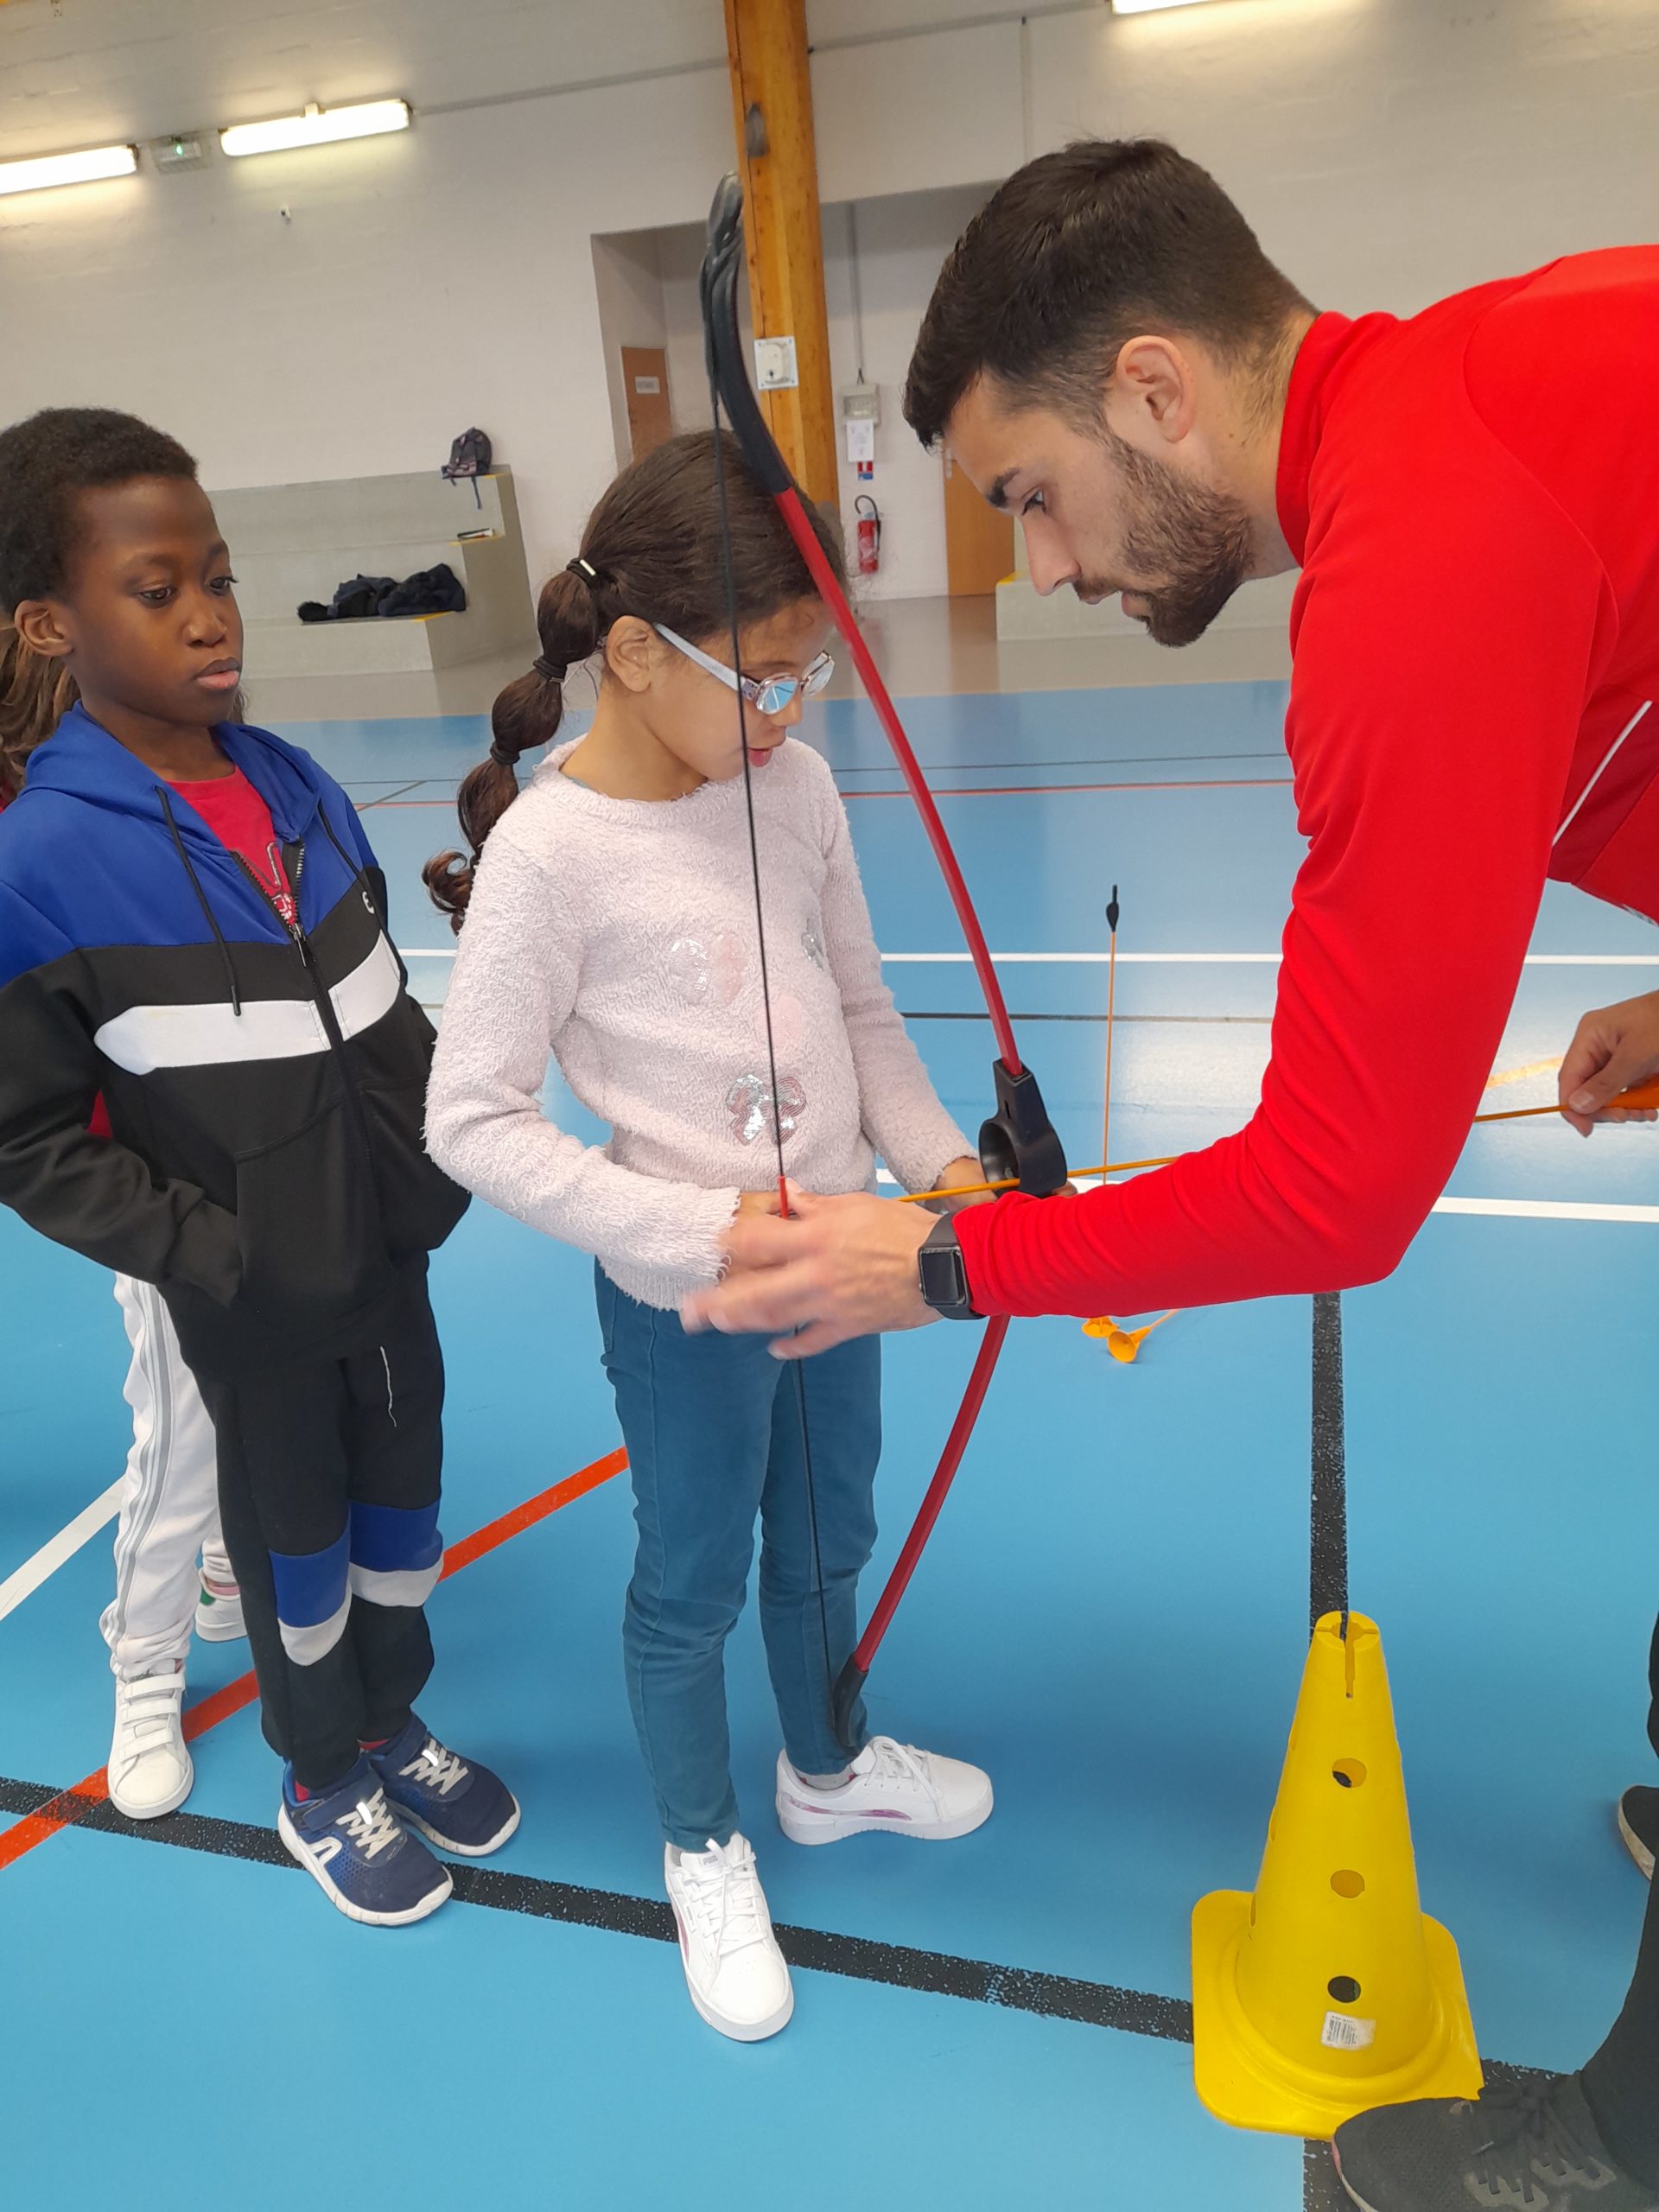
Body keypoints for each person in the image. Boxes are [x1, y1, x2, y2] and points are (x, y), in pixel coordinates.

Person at [683, 143, 1659, 2201]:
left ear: (1152, 387)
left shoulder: (1415, 564)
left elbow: (1335, 1192)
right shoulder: (1477, 388)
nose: (1040, 567)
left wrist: (935, 1266)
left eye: (1031, 493)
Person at [423, 429, 994, 2042]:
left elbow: (861, 1012)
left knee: (828, 1537)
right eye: (760, 678)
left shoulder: (792, 788)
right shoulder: (548, 854)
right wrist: (694, 1224)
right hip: (687, 1302)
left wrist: (946, 1169)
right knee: (691, 1582)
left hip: (843, 1263)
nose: (787, 714)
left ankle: (827, 1766)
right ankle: (700, 1844)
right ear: (631, 652)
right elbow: (471, 1119)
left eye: (808, 678)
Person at [0, 408, 517, 1924]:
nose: (210, 617)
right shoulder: (39, 863)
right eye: (156, 591)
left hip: (392, 1258)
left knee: (404, 1514)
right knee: (296, 1538)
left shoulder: (298, 787)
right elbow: (27, 1139)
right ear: (49, 623)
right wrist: (214, 1251)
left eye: (217, 578)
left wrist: (434, 1155)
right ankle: (320, 1772)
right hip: (254, 1297)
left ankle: (390, 1719)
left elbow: (381, 1005)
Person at [3, 620, 247, 1822]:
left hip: (256, 1164)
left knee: (282, 1405)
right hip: (154, 1196)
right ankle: (143, 1664)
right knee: (183, 1435)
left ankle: (228, 1566)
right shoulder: (35, 852)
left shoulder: (207, 799)